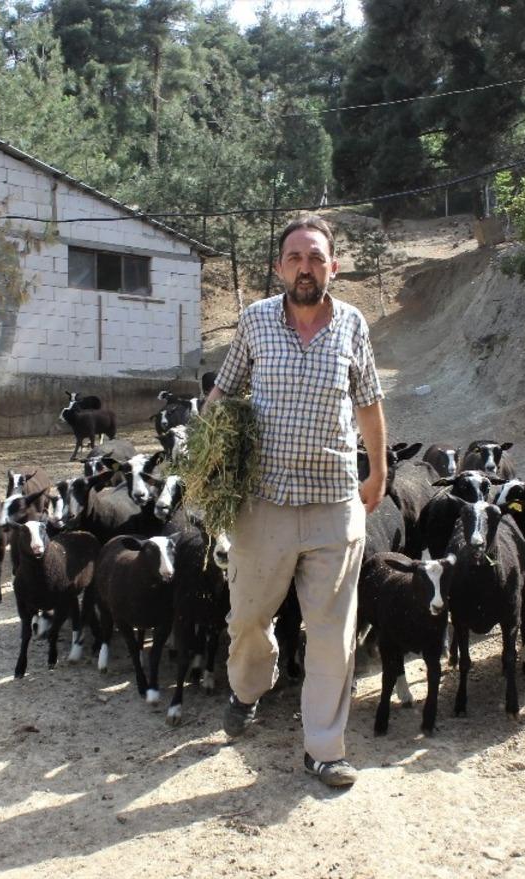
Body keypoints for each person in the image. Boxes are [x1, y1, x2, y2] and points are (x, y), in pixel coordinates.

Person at [204, 215, 387, 788]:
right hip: (264, 503)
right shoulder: (256, 321)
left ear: (333, 266)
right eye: (295, 257)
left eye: (315, 257)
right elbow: (224, 390)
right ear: (279, 267)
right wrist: (202, 457)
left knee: (332, 633)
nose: (305, 267)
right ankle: (248, 689)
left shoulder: (353, 324)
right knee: (247, 620)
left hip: (334, 503)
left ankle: (324, 749)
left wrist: (379, 471)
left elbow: (369, 401)